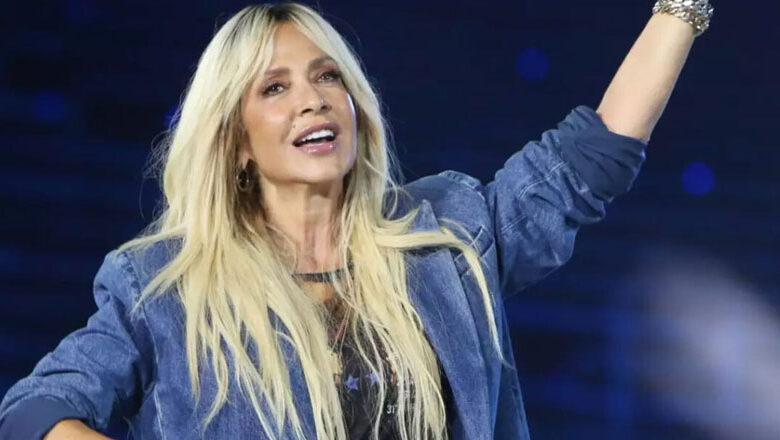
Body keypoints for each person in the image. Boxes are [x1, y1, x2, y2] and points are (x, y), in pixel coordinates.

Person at [0, 1, 714, 439]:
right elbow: (36, 410)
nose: (312, 99)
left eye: (327, 75)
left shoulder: (448, 237)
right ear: (237, 142)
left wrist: (681, 7)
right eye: (274, 88)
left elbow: (592, 158)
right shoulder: (162, 287)